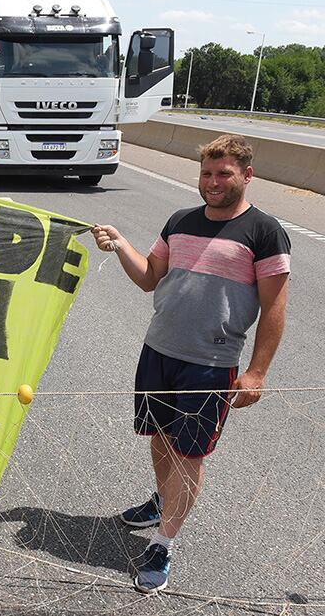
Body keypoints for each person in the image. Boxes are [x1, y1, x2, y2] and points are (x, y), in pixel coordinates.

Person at [92, 134, 290, 594]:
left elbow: (275, 308)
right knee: (160, 440)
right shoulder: (180, 221)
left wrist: (257, 372)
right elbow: (148, 279)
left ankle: (163, 543)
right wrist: (121, 243)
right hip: (158, 351)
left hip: (211, 363)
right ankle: (162, 502)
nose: (213, 182)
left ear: (247, 175)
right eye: (207, 173)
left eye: (224, 174)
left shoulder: (264, 231)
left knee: (189, 455)